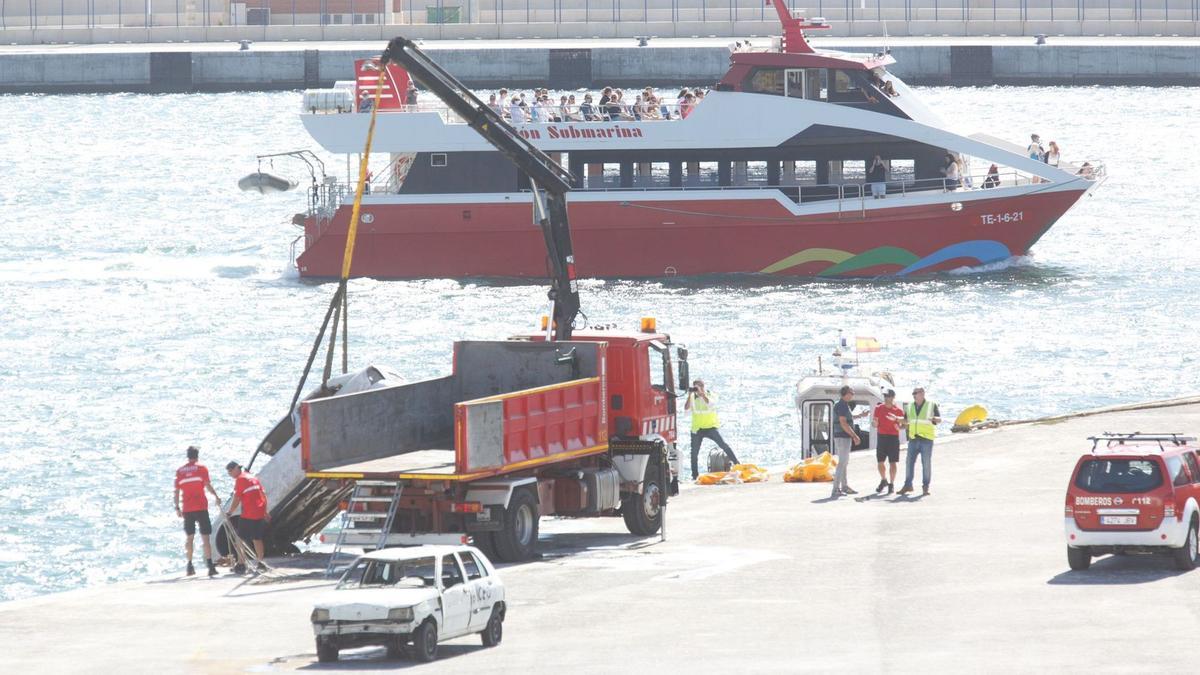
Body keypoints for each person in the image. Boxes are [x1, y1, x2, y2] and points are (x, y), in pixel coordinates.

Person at [175, 446, 220, 577]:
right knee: (205, 537)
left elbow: (177, 491)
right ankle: (210, 566)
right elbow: (208, 486)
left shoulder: (180, 471)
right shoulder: (201, 469)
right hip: (201, 507)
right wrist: (216, 496)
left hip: (187, 509)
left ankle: (189, 565)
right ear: (197, 455)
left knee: (189, 537)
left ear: (187, 456)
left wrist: (177, 507)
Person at [685, 379, 739, 480]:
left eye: (698, 387)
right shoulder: (692, 397)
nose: (697, 390)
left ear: (703, 387)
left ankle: (737, 464)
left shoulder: (710, 394)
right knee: (694, 453)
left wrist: (702, 395)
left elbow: (711, 404)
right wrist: (689, 396)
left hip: (711, 427)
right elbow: (686, 410)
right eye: (695, 387)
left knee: (723, 445)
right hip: (697, 429)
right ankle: (694, 476)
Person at [225, 461, 270, 574]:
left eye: (230, 472)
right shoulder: (252, 477)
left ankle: (241, 564)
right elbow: (263, 494)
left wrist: (230, 512)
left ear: (235, 469)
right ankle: (260, 562)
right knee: (257, 538)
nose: (230, 474)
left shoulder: (240, 479)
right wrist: (265, 511)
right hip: (259, 511)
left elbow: (236, 499)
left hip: (249, 513)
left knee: (239, 539)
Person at [898, 387, 941, 496]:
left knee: (926, 464)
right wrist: (897, 420)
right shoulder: (910, 406)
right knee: (909, 462)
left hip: (926, 439)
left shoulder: (931, 405)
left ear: (922, 394)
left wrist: (935, 419)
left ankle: (925, 486)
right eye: (913, 393)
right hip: (913, 439)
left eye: (915, 393)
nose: (913, 395)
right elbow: (907, 420)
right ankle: (908, 485)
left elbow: (939, 419)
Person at [830, 385, 860, 498]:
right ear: (846, 394)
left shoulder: (842, 405)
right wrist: (854, 436)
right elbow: (843, 423)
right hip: (843, 437)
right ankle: (836, 488)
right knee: (842, 462)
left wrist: (860, 416)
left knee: (844, 463)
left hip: (842, 437)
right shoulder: (842, 405)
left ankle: (844, 486)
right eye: (851, 393)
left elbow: (846, 419)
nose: (853, 395)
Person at [872, 391, 904, 494]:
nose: (886, 398)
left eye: (888, 396)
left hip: (893, 438)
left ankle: (891, 483)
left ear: (893, 397)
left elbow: (904, 425)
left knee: (893, 462)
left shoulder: (898, 411)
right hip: (881, 437)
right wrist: (874, 424)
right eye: (885, 396)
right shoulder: (879, 408)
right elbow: (874, 422)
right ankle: (884, 479)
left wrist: (898, 427)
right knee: (880, 461)